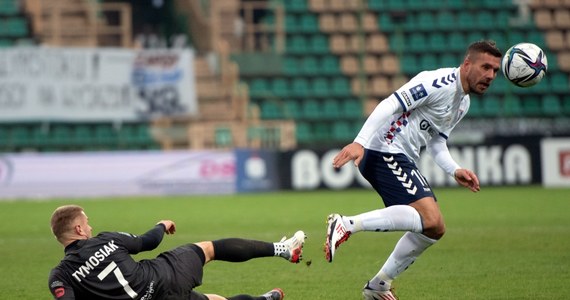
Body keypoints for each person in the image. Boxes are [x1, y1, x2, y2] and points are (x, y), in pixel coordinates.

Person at [325, 40, 502, 299]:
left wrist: (454, 170)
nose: (490, 75)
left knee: (435, 227)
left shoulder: (463, 103)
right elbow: (390, 104)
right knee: (431, 219)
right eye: (485, 67)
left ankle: (379, 284)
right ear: (467, 64)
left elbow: (437, 141)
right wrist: (359, 142)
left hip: (401, 156)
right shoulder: (437, 82)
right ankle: (346, 224)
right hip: (383, 149)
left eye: (495, 70)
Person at [48, 204, 306, 300]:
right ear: (80, 229)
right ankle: (283, 249)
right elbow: (147, 242)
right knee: (209, 249)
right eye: (87, 222)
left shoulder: (60, 275)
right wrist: (162, 225)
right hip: (164, 277)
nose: (91, 226)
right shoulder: (105, 240)